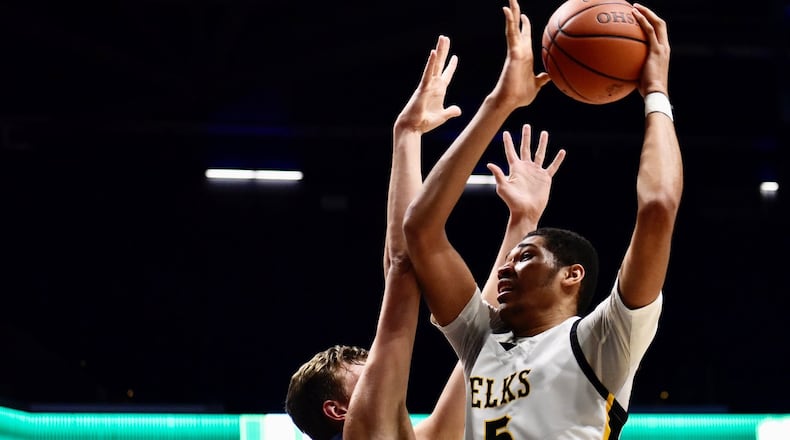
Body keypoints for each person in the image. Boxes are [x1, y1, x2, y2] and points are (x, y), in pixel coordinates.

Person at [402, 0, 682, 438]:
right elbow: (420, 230)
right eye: (512, 256)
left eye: (525, 254)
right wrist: (501, 102)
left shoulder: (604, 340)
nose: (505, 266)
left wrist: (656, 94)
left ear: (573, 274)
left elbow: (658, 207)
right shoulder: (482, 338)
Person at [284, 32, 566, 440]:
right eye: (362, 365)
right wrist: (409, 132)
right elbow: (403, 265)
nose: (379, 359)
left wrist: (523, 221)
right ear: (338, 409)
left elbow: (484, 349)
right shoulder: (363, 432)